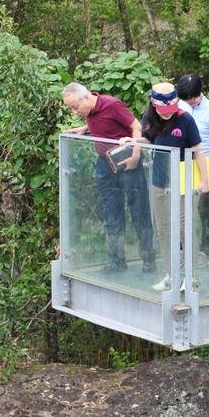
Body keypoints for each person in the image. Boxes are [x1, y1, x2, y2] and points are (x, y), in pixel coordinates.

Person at [62, 83, 156, 274]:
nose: (74, 112)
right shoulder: (89, 112)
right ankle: (116, 260)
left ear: (86, 97)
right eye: (71, 108)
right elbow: (104, 125)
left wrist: (136, 155)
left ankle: (148, 259)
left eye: (74, 107)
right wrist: (84, 129)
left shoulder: (112, 104)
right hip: (105, 165)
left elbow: (137, 128)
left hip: (128, 162)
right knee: (111, 214)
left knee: (139, 213)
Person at [134, 83, 209, 292]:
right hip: (159, 179)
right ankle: (170, 274)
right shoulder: (149, 117)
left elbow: (199, 150)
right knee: (162, 228)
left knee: (185, 228)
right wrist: (132, 141)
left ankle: (192, 276)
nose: (168, 115)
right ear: (154, 104)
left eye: (171, 111)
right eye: (163, 111)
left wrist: (205, 180)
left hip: (184, 180)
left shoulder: (185, 119)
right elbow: (148, 140)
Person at [176, 74, 209, 266]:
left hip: (207, 165)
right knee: (181, 211)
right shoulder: (179, 106)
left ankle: (205, 251)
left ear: (198, 94)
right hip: (183, 165)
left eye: (191, 99)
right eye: (185, 99)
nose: (188, 102)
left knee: (205, 210)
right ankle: (183, 251)